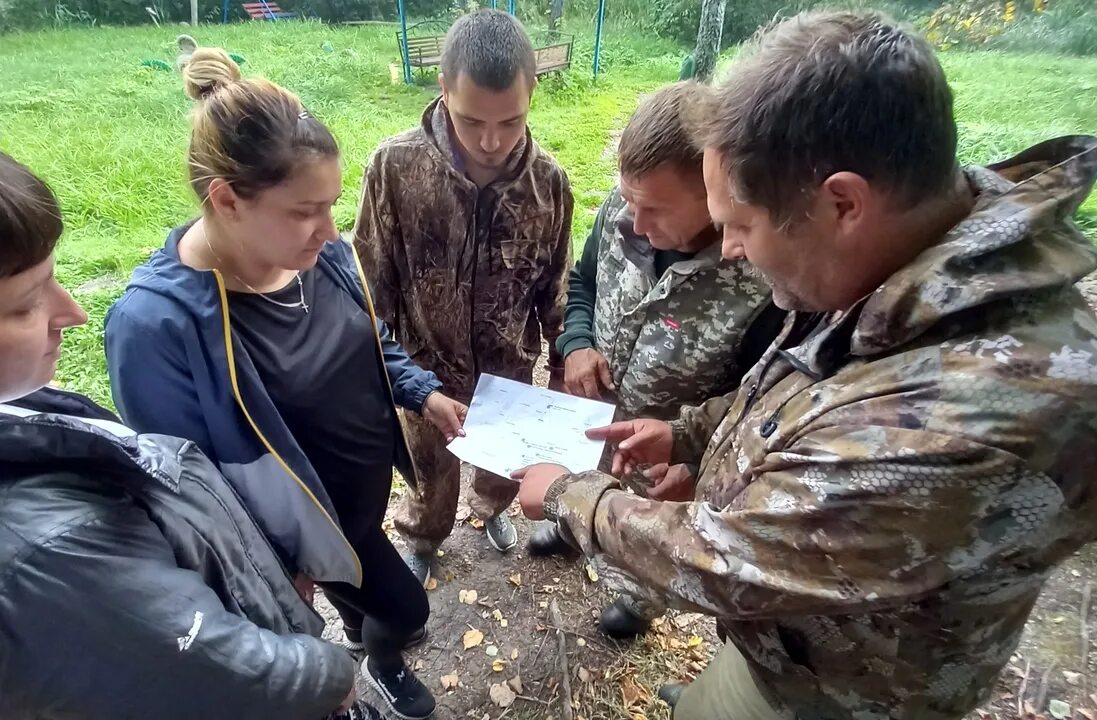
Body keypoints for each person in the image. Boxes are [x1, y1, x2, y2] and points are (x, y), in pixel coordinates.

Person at [514, 11, 1097, 720]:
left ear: (843, 202)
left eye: (741, 225)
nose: (732, 252)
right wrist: (689, 433)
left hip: (840, 693)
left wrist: (572, 495)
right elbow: (808, 387)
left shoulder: (980, 415)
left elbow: (726, 565)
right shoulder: (893, 273)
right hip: (786, 647)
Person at [0, 125, 383, 720]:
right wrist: (329, 671)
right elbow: (236, 675)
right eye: (25, 303)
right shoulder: (44, 554)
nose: (71, 312)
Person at [104, 50, 453, 720]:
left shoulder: (318, 257)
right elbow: (186, 489)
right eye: (304, 212)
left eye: (331, 206)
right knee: (408, 609)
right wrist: (268, 567)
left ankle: (358, 629)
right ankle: (381, 655)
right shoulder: (156, 328)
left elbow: (369, 339)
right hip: (296, 538)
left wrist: (420, 389)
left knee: (366, 594)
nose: (329, 230)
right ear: (227, 200)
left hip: (357, 506)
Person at [530, 80, 785, 639]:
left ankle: (637, 599)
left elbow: (758, 396)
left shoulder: (761, 277)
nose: (635, 224)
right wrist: (575, 343)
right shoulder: (626, 207)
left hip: (666, 447)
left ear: (715, 192)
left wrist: (696, 464)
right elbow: (585, 281)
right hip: (596, 417)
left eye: (656, 209)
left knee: (647, 530)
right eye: (629, 199)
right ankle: (574, 529)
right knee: (583, 483)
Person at [354, 8, 574, 579]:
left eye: (512, 120)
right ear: (443, 87)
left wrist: (569, 350)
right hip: (426, 372)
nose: (492, 140)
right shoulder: (394, 168)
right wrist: (397, 371)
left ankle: (492, 507)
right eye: (473, 119)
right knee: (429, 472)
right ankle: (424, 536)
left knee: (500, 469)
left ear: (533, 94)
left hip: (510, 376)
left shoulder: (547, 182)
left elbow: (556, 283)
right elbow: (368, 289)